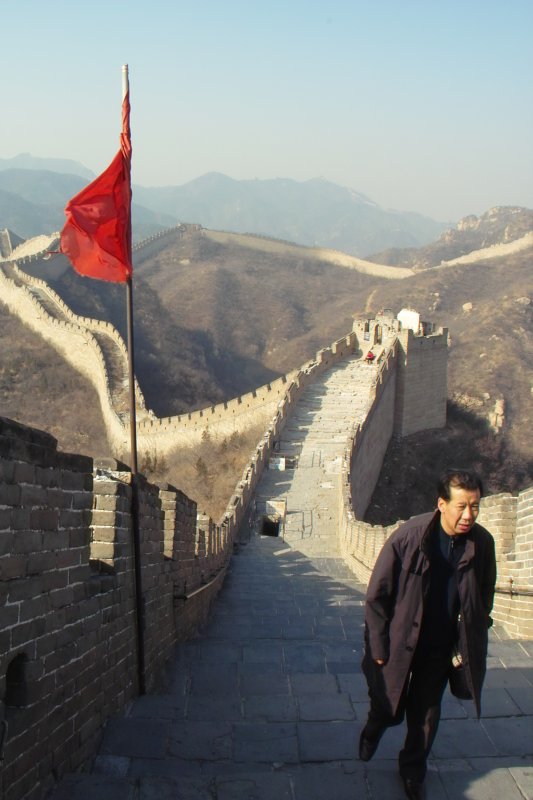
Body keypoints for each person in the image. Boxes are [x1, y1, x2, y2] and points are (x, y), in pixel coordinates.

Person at [359, 469, 496, 800]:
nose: (469, 515)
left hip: (440, 645)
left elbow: (484, 594)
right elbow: (377, 595)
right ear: (441, 504)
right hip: (399, 641)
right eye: (461, 506)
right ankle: (376, 724)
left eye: (475, 507)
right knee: (388, 701)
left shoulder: (482, 543)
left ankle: (412, 772)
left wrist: (472, 634)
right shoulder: (410, 536)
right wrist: (378, 646)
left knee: (426, 713)